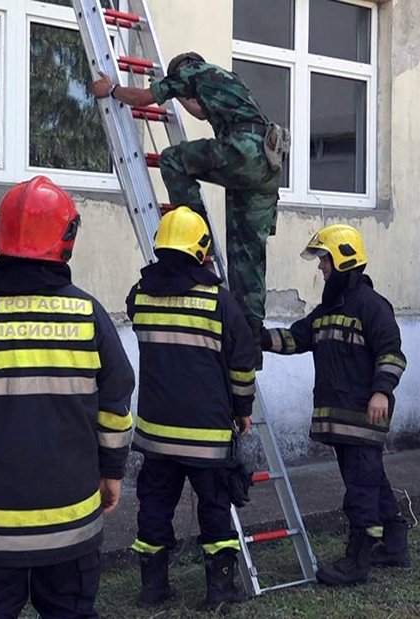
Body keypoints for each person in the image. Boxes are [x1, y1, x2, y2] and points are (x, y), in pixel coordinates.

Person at [0, 176, 136, 618]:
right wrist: (112, 473)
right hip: (71, 525)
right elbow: (116, 405)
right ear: (66, 238)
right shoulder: (89, 317)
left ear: (0, 234)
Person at [92, 52, 285, 368]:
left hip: (243, 149)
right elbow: (198, 111)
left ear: (182, 71)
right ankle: (250, 344)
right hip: (267, 163)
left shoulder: (189, 70)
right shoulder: (222, 78)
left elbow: (143, 97)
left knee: (172, 159)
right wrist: (181, 95)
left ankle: (196, 232)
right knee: (246, 254)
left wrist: (111, 90)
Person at [260, 224, 410, 586]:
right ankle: (394, 545)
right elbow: (297, 338)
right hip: (342, 420)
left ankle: (356, 563)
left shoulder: (373, 307)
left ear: (344, 260)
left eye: (324, 259)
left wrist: (381, 392)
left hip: (362, 414)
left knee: (360, 488)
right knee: (371, 482)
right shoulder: (327, 309)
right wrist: (258, 340)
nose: (320, 267)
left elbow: (392, 354)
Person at [124, 206, 256, 610]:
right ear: (202, 251)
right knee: (215, 510)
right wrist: (243, 409)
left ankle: (154, 589)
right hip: (207, 438)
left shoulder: (139, 297)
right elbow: (241, 367)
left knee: (154, 509)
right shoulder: (221, 304)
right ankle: (219, 591)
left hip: (156, 436)